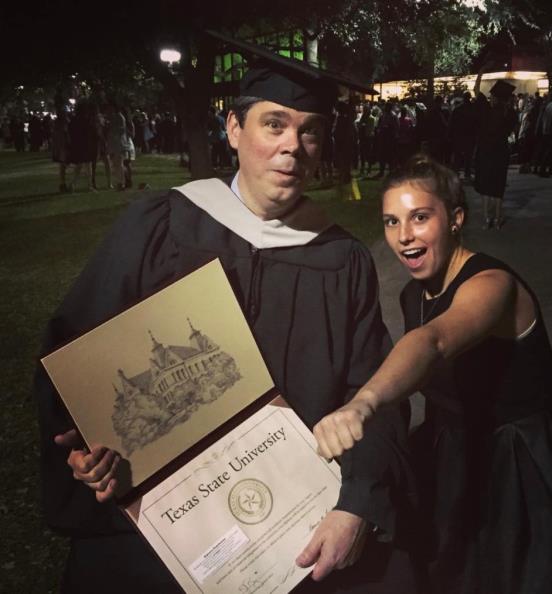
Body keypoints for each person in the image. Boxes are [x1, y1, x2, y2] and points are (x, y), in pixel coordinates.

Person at [35, 43, 414, 594]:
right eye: (274, 124)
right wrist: (83, 449)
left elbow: (373, 393)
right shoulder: (161, 227)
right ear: (233, 128)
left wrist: (357, 504)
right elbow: (74, 360)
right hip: (154, 516)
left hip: (287, 521)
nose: (292, 147)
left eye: (310, 131)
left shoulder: (340, 260)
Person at [312, 154, 552, 594]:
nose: (403, 236)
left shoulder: (492, 285)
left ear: (455, 219)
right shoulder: (414, 294)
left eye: (420, 217)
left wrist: (363, 402)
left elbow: (435, 341)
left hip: (514, 464)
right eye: (391, 222)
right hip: (450, 450)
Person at [473, 80, 518, 230]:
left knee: (486, 186)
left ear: (494, 97)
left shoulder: (487, 110)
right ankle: (498, 218)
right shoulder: (511, 113)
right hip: (501, 151)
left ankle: (487, 218)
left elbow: (476, 89)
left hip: (486, 152)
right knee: (498, 186)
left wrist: (481, 72)